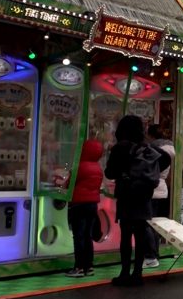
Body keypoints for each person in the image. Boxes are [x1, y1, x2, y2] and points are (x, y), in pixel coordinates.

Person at [105, 115, 171, 286]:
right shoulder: (146, 147)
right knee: (141, 235)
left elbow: (109, 173)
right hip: (144, 196)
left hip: (127, 195)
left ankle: (124, 273)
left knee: (126, 235)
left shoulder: (121, 147)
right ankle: (138, 274)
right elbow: (165, 158)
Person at [65, 139, 103, 278]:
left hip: (78, 204)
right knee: (88, 235)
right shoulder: (98, 168)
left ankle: (79, 267)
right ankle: (89, 266)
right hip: (92, 204)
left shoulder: (79, 166)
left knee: (78, 235)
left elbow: (69, 183)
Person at [142, 124, 175, 269]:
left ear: (150, 135)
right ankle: (154, 254)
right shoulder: (170, 150)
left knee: (147, 223)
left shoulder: (153, 150)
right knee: (155, 223)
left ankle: (150, 256)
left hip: (152, 188)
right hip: (162, 189)